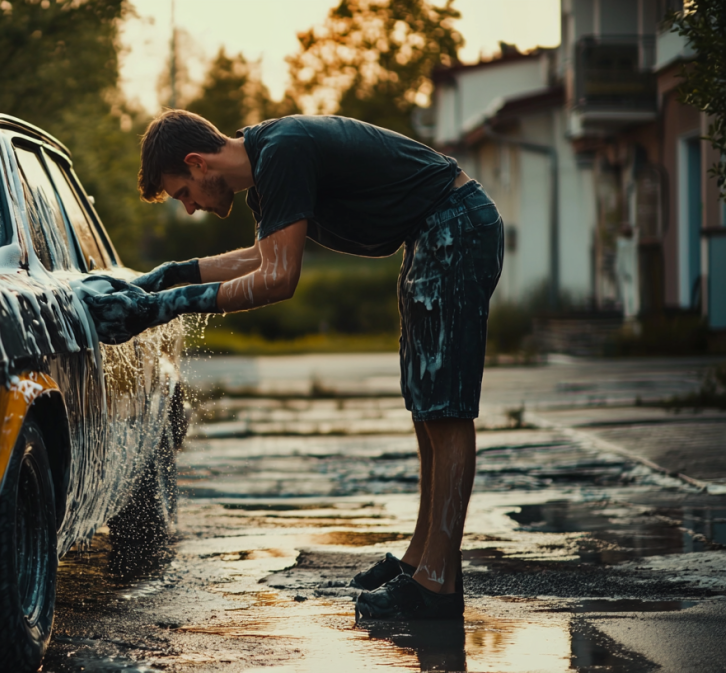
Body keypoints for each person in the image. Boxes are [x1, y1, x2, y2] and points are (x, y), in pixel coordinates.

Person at [82, 110, 503, 620]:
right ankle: (422, 560)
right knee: (425, 404)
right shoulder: (266, 174)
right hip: (434, 233)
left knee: (445, 407)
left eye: (182, 193)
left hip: (456, 225)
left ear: (197, 162)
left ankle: (437, 585)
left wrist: (164, 306)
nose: (190, 209)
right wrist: (166, 276)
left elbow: (279, 279)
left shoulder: (282, 152)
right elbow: (263, 258)